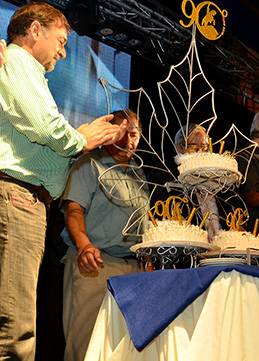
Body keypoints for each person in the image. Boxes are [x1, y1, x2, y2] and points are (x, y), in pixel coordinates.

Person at [0, 3, 126, 359]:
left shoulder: (17, 66)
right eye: (61, 39)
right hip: (18, 199)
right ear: (36, 31)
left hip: (22, 200)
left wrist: (81, 139)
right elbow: (45, 126)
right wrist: (81, 140)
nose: (63, 50)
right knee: (15, 330)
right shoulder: (21, 61)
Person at [61, 110, 148, 361]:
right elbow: (74, 209)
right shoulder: (88, 163)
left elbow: (143, 220)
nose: (128, 141)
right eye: (121, 133)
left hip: (134, 270)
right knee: (85, 346)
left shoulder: (139, 173)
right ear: (109, 132)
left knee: (125, 350)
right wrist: (84, 246)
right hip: (96, 265)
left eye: (134, 135)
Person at [174, 123, 221, 237]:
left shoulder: (216, 177)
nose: (200, 152)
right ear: (179, 148)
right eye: (194, 147)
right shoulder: (167, 175)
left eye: (205, 147)